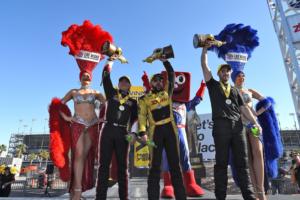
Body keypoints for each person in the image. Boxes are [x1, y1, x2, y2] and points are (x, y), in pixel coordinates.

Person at [200, 42, 261, 200]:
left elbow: (244, 109)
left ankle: (249, 196)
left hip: (237, 127)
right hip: (221, 127)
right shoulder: (213, 85)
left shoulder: (235, 90)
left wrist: (255, 123)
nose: (226, 73)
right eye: (223, 71)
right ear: (219, 73)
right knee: (221, 164)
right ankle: (221, 196)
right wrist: (205, 49)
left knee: (243, 163)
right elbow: (205, 67)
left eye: (228, 71)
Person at [141, 71, 206, 197]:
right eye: (157, 81)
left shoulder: (184, 103)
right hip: (166, 130)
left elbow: (197, 100)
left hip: (181, 130)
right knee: (165, 158)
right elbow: (151, 91)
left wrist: (202, 87)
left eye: (161, 80)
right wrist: (145, 80)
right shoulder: (163, 99)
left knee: (184, 155)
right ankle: (168, 185)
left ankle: (190, 184)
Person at [138, 56, 187, 200]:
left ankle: (181, 197)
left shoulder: (167, 92)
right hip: (155, 132)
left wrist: (164, 61)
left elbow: (171, 75)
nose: (159, 82)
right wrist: (142, 132)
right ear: (151, 83)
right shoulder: (144, 98)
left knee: (175, 166)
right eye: (155, 80)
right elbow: (141, 116)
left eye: (160, 80)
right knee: (154, 167)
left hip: (171, 130)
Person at [95, 57, 138, 200]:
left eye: (127, 82)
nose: (124, 83)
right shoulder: (111, 93)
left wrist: (133, 133)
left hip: (123, 133)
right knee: (103, 167)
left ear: (130, 86)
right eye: (122, 81)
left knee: (123, 168)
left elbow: (135, 119)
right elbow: (105, 76)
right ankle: (100, 197)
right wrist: (111, 61)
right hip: (107, 130)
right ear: (118, 84)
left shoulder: (133, 102)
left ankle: (124, 197)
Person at [233, 72, 267, 200]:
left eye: (243, 76)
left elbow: (267, 101)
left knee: (258, 153)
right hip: (239, 126)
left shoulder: (250, 90)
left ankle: (261, 191)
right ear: (234, 78)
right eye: (238, 75)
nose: (241, 77)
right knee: (248, 159)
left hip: (253, 125)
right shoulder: (230, 90)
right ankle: (255, 193)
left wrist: (257, 113)